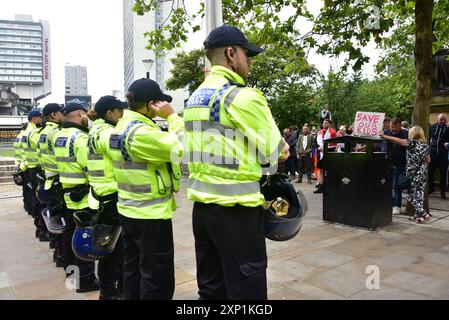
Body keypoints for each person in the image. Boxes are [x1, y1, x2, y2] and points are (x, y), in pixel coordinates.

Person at [184, 25, 289, 300]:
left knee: (211, 288)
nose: (249, 61)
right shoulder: (242, 97)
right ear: (231, 54)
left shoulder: (194, 99)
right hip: (237, 213)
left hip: (202, 212)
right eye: (246, 54)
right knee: (246, 290)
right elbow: (276, 151)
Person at [106, 79, 184, 300]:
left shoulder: (120, 127)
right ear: (151, 104)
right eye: (160, 103)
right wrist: (172, 117)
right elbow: (182, 148)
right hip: (150, 214)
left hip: (129, 209)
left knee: (133, 269)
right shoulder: (141, 133)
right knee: (157, 276)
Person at [53, 102, 99, 293]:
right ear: (80, 113)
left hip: (67, 192)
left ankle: (71, 272)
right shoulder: (80, 138)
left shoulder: (60, 136)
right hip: (82, 194)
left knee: (69, 233)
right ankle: (85, 280)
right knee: (84, 237)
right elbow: (90, 169)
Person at [86, 96, 127, 300]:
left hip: (100, 195)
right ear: (109, 113)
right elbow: (125, 155)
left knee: (108, 247)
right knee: (116, 250)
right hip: (112, 195)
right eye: (120, 110)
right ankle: (111, 292)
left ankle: (108, 290)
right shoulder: (109, 133)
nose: (123, 114)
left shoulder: (94, 131)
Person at [380, 126, 431, 223]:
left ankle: (424, 213)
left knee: (410, 195)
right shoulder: (425, 145)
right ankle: (418, 216)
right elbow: (428, 160)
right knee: (419, 194)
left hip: (412, 174)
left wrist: (384, 136)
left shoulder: (412, 143)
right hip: (422, 173)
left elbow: (398, 140)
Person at [37, 103, 65, 267]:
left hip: (48, 177)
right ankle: (61, 254)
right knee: (62, 221)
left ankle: (57, 251)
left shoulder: (43, 133)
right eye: (61, 112)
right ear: (54, 115)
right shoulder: (56, 132)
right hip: (58, 178)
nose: (64, 115)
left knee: (54, 215)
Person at [21, 109, 47, 240]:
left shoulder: (25, 132)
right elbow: (42, 148)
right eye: (40, 117)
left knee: (37, 199)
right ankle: (42, 230)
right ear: (34, 119)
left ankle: (40, 229)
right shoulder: (35, 132)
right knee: (41, 200)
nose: (42, 120)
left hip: (31, 167)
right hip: (38, 167)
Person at [385, 117, 408, 215]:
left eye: (395, 127)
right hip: (387, 163)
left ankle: (397, 206)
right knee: (388, 185)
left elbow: (404, 142)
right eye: (392, 127)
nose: (393, 129)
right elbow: (378, 143)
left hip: (400, 164)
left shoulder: (405, 134)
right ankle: (390, 204)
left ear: (400, 125)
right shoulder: (386, 132)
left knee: (397, 186)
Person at [428, 113, 449, 199]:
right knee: (430, 172)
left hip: (443, 155)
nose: (442, 121)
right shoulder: (432, 127)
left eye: (444, 119)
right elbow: (428, 137)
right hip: (433, 154)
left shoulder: (447, 128)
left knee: (443, 174)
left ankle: (442, 192)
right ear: (437, 120)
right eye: (441, 120)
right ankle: (431, 188)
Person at [314, 118, 337, 194]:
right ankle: (321, 186)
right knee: (320, 170)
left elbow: (335, 144)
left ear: (329, 124)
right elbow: (315, 143)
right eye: (324, 123)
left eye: (326, 123)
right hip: (320, 153)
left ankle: (330, 186)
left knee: (328, 170)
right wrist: (318, 148)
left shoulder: (333, 132)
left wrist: (326, 148)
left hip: (328, 153)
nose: (324, 124)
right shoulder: (319, 132)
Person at [14, 123, 28, 213]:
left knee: (25, 188)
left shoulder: (19, 136)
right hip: (25, 164)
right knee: (27, 188)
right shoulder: (25, 136)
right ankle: (28, 206)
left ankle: (26, 205)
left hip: (20, 163)